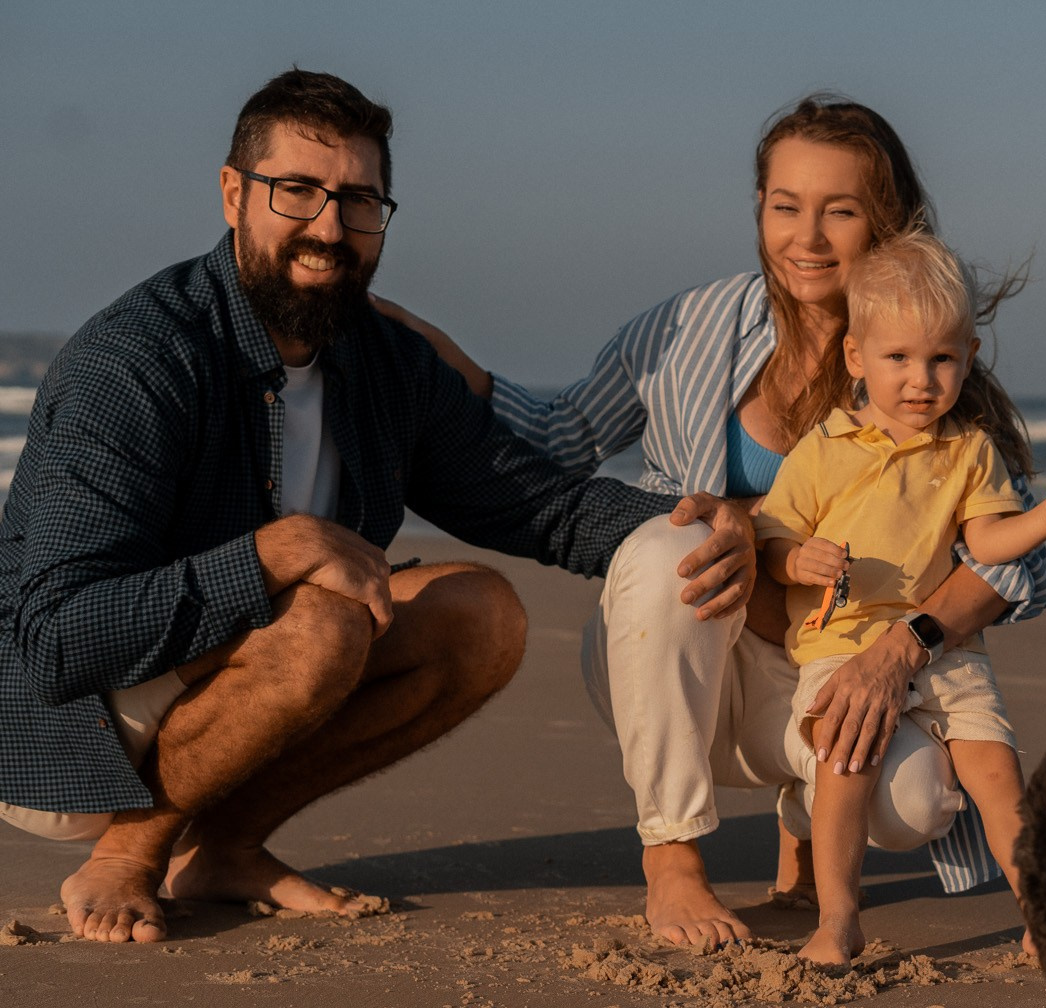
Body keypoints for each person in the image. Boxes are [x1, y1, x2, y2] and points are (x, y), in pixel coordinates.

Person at [0, 69, 686, 943]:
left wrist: (707, 527)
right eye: (298, 192)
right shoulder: (138, 360)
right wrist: (270, 553)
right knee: (324, 621)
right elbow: (57, 640)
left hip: (233, 676)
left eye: (359, 200)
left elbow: (539, 505)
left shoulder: (383, 362)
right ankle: (131, 852)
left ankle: (227, 847)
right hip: (76, 728)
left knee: (482, 613)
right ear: (232, 194)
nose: (329, 228)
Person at [380, 97, 1046, 953]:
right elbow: (557, 435)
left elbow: (1016, 570)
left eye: (839, 211)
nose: (807, 238)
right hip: (697, 657)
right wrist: (410, 341)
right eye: (785, 206)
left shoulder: (926, 356)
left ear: (885, 219)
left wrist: (901, 651)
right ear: (759, 208)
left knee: (915, 802)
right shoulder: (684, 330)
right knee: (676, 540)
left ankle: (807, 831)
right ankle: (674, 866)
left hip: (852, 667)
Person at [756, 232, 1046, 963]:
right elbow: (772, 542)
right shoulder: (823, 448)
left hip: (947, 647)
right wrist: (798, 559)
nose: (921, 380)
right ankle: (839, 915)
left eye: (942, 359)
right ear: (856, 357)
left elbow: (990, 545)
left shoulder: (969, 450)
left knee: (995, 765)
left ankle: (1042, 911)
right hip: (842, 641)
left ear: (968, 358)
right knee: (848, 760)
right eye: (899, 358)